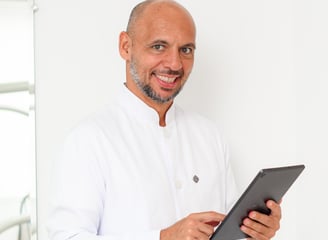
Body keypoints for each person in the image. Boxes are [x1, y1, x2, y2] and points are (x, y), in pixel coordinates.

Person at [47, 1, 282, 240]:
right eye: (159, 46)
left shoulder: (210, 136)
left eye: (186, 50)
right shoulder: (88, 140)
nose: (174, 64)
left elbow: (227, 233)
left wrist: (254, 232)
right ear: (125, 46)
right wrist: (162, 237)